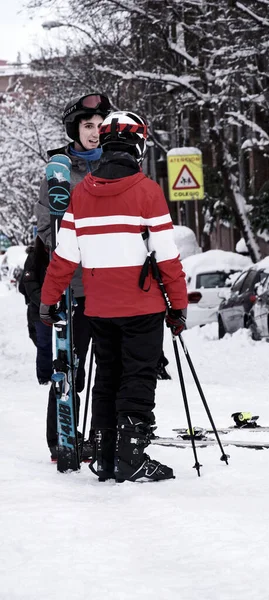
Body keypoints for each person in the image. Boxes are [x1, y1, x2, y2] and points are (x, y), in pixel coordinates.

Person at [40, 110, 188, 483]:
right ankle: (131, 456)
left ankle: (105, 457)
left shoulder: (81, 194)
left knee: (107, 377)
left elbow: (63, 256)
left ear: (105, 144)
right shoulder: (148, 192)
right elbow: (168, 258)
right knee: (138, 378)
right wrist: (179, 307)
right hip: (144, 308)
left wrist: (48, 300)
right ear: (138, 146)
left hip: (99, 308)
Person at [35, 92, 112, 461]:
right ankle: (62, 437)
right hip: (77, 286)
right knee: (71, 367)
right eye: (88, 126)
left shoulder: (118, 164)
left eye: (100, 125)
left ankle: (101, 434)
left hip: (114, 285)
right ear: (75, 129)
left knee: (111, 366)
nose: (95, 133)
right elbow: (47, 229)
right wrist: (81, 248)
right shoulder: (59, 171)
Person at [19, 237, 53, 384]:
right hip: (39, 308)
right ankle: (45, 377)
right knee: (44, 343)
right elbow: (28, 284)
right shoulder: (34, 257)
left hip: (54, 306)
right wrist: (45, 301)